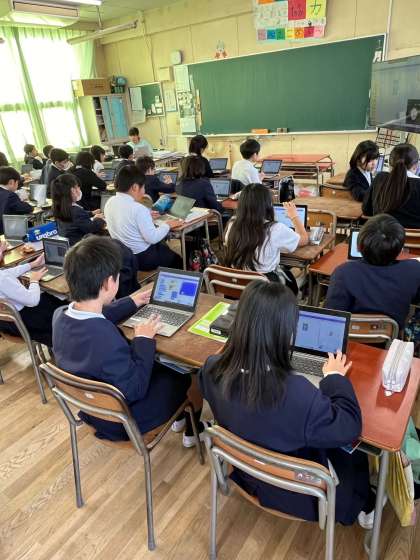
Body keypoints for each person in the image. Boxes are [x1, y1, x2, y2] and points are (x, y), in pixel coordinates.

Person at [199, 280, 375, 527]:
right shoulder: (299, 395)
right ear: (286, 334)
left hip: (248, 472)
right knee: (356, 450)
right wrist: (335, 377)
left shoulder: (211, 368)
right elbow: (349, 427)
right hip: (299, 494)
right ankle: (365, 505)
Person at [52, 235, 206, 444]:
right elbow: (136, 389)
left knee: (163, 365)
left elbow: (97, 315)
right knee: (187, 374)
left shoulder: (60, 316)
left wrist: (132, 301)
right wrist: (143, 340)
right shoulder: (107, 340)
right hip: (122, 420)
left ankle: (178, 418)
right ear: (108, 283)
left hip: (92, 408)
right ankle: (192, 431)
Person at [326, 214, 420, 330]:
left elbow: (332, 316)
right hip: (391, 337)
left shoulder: (343, 272)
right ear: (401, 249)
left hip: (349, 336)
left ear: (358, 247)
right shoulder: (414, 270)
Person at [223, 183, 308, 289]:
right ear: (267, 205)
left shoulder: (232, 224)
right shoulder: (275, 229)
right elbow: (304, 239)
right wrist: (294, 216)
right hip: (265, 288)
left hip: (237, 284)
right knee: (290, 278)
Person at [104, 165, 182, 271]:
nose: (144, 191)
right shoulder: (138, 208)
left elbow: (127, 219)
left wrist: (147, 215)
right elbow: (153, 238)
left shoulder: (110, 202)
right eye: (143, 187)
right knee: (177, 260)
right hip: (143, 257)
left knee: (164, 248)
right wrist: (167, 225)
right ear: (135, 187)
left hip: (123, 256)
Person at [0, 244, 63, 347]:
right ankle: (67, 343)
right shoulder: (2, 278)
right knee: (62, 303)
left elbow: (7, 272)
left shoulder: (2, 276)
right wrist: (34, 280)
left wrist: (33, 264)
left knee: (49, 297)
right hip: (25, 323)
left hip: (6, 324)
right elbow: (33, 301)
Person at [363, 143, 420, 228]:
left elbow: (366, 210)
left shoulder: (380, 178)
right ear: (416, 166)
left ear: (390, 163)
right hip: (415, 236)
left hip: (382, 234)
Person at [51, 173, 106, 246]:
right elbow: (91, 228)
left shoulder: (59, 206)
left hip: (69, 243)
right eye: (78, 187)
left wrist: (91, 213)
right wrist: (98, 219)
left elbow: (77, 217)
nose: (79, 189)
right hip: (81, 245)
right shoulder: (76, 211)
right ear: (73, 190)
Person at [0, 166, 33, 235]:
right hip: (9, 231)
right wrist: (22, 201)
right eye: (17, 182)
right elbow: (27, 209)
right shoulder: (10, 195)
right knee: (30, 223)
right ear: (11, 182)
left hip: (3, 229)